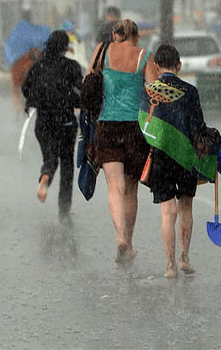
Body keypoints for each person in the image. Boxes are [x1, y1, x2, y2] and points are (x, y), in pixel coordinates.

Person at [140, 44, 219, 278]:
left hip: (160, 157)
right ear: (179, 65)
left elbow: (144, 126)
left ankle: (170, 266)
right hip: (186, 157)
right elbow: (198, 127)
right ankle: (184, 257)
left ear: (156, 66)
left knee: (167, 212)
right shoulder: (190, 91)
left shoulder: (148, 91)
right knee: (185, 207)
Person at [88, 19, 157, 263]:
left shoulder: (102, 50)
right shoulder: (144, 56)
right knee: (131, 189)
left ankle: (120, 239)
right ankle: (129, 240)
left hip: (107, 126)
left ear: (115, 34)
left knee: (114, 187)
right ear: (136, 36)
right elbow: (154, 93)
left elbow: (89, 81)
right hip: (134, 129)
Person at [22, 30, 83, 220]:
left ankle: (45, 177)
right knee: (67, 164)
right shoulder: (72, 66)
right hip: (66, 121)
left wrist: (41, 100)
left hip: (43, 121)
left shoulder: (38, 66)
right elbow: (81, 90)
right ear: (65, 47)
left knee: (50, 157)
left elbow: (25, 89)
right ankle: (64, 210)